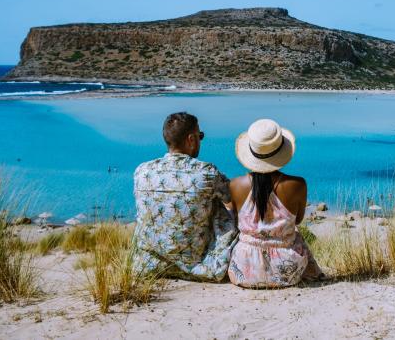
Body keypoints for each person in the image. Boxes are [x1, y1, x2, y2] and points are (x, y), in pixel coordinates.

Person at [132, 112, 237, 281]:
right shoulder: (206, 173)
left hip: (147, 265)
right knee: (219, 204)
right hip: (197, 266)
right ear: (191, 139)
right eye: (200, 136)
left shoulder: (142, 171)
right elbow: (231, 197)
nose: (200, 141)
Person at [228, 119, 323, 288]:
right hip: (287, 270)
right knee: (297, 236)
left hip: (244, 269)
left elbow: (234, 221)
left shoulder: (236, 185)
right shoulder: (298, 185)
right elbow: (298, 221)